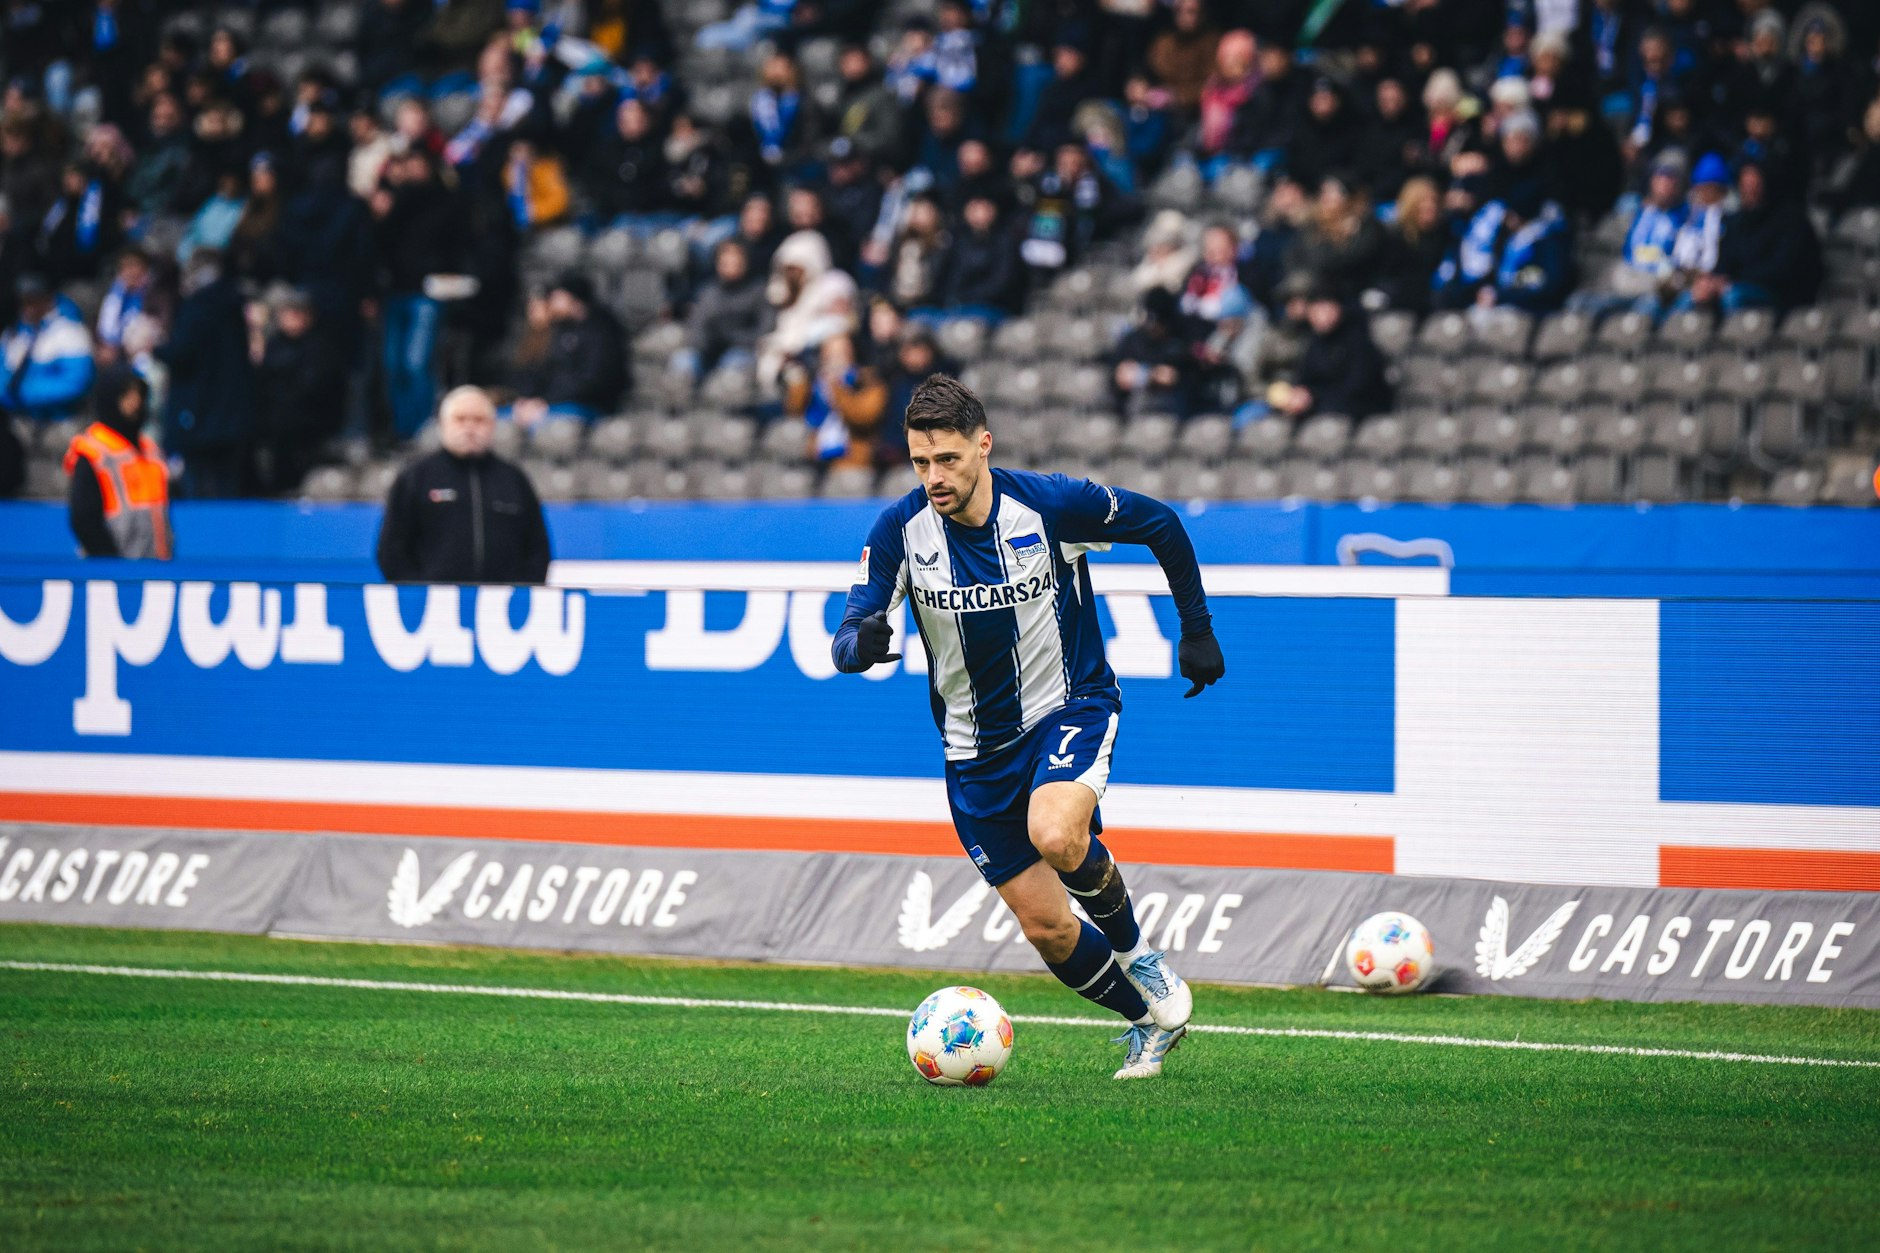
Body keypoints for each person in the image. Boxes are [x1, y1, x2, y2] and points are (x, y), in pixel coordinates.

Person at [831, 374, 1226, 1080]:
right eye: (921, 462)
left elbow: (1161, 521)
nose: (934, 478)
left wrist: (1195, 629)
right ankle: (1146, 1021)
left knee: (1056, 830)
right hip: (972, 755)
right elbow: (849, 630)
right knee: (1046, 927)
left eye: (947, 459)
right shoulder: (899, 530)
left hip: (1067, 709)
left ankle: (1143, 958)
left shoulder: (1047, 506)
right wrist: (860, 644)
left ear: (983, 446)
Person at [376, 384, 552, 585]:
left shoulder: (514, 479)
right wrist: (419, 595)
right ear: (442, 425)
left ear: (493, 425)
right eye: (460, 419)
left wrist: (521, 595)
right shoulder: (416, 477)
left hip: (500, 610)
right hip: (435, 609)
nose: (469, 427)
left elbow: (537, 549)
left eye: (479, 420)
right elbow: (391, 549)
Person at [158, 248, 257, 499]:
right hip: (231, 414)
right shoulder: (233, 303)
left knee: (199, 486)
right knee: (228, 485)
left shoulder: (198, 307)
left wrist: (155, 347)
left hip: (200, 413)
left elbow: (182, 352)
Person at [63, 364, 172, 559]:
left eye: (138, 394)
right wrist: (110, 563)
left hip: (155, 566)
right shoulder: (94, 451)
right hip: (113, 569)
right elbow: (84, 518)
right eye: (127, 395)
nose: (135, 402)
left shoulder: (150, 450)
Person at [509, 273, 629, 425]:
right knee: (499, 420)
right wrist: (527, 400)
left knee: (543, 428)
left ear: (575, 301)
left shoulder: (602, 332)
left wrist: (545, 401)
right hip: (550, 403)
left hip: (589, 405)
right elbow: (536, 373)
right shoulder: (557, 329)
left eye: (557, 297)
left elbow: (592, 381)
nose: (551, 303)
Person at [0, 272, 96, 424]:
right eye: (23, 302)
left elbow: (77, 382)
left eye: (33, 301)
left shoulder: (69, 331)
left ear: (48, 299)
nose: (28, 308)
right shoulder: (14, 333)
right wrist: (7, 393)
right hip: (19, 419)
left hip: (60, 421)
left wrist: (25, 391)